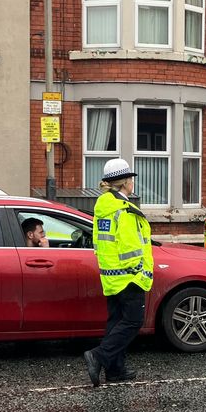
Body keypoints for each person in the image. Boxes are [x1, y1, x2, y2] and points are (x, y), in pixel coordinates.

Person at [83, 158, 153, 387]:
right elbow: (131, 248)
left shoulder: (104, 207)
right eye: (130, 179)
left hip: (111, 276)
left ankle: (115, 370)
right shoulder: (124, 211)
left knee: (115, 322)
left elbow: (102, 243)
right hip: (129, 277)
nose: (133, 183)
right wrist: (140, 273)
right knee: (133, 322)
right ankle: (99, 356)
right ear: (124, 182)